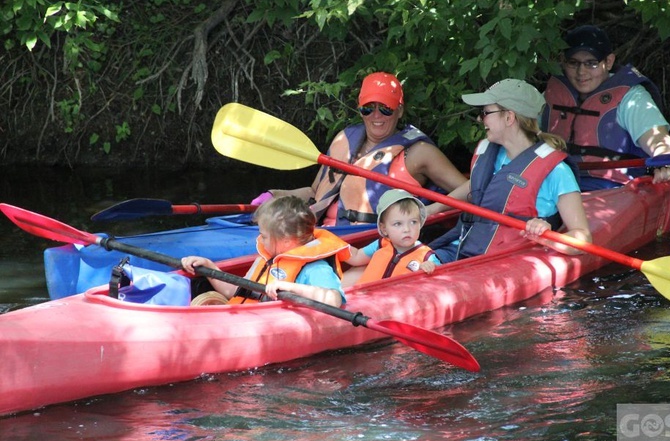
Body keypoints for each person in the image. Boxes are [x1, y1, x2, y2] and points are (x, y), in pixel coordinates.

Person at [253, 71, 467, 225]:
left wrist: (429, 211)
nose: (376, 116)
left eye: (385, 109)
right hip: (321, 232)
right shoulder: (343, 140)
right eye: (368, 108)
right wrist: (275, 195)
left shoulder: (419, 153)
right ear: (359, 108)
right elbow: (314, 193)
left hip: (366, 243)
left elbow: (471, 190)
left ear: (400, 110)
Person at [427, 79, 592, 262]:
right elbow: (477, 186)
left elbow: (582, 238)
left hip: (509, 258)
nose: (481, 119)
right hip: (468, 244)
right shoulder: (490, 152)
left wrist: (546, 237)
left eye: (486, 112)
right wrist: (432, 209)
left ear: (509, 117)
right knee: (411, 265)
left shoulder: (557, 172)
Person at [540, 24, 670, 191]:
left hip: (615, 189)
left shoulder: (631, 97)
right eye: (573, 63)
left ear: (609, 61)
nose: (581, 72)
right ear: (563, 62)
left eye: (591, 63)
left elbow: (658, 139)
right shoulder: (552, 95)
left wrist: (663, 162)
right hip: (555, 186)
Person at [182, 196, 351, 307]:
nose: (260, 240)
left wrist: (289, 287)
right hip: (244, 316)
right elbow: (235, 291)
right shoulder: (267, 259)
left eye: (264, 236)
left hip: (265, 324)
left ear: (285, 240)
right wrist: (210, 268)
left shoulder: (315, 269)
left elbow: (333, 300)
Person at [343, 189, 440, 285]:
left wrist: (429, 268)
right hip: (363, 297)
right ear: (384, 228)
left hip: (394, 298)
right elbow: (356, 256)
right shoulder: (381, 244)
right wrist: (333, 244)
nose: (407, 229)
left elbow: (439, 279)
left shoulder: (427, 256)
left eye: (413, 222)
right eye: (398, 224)